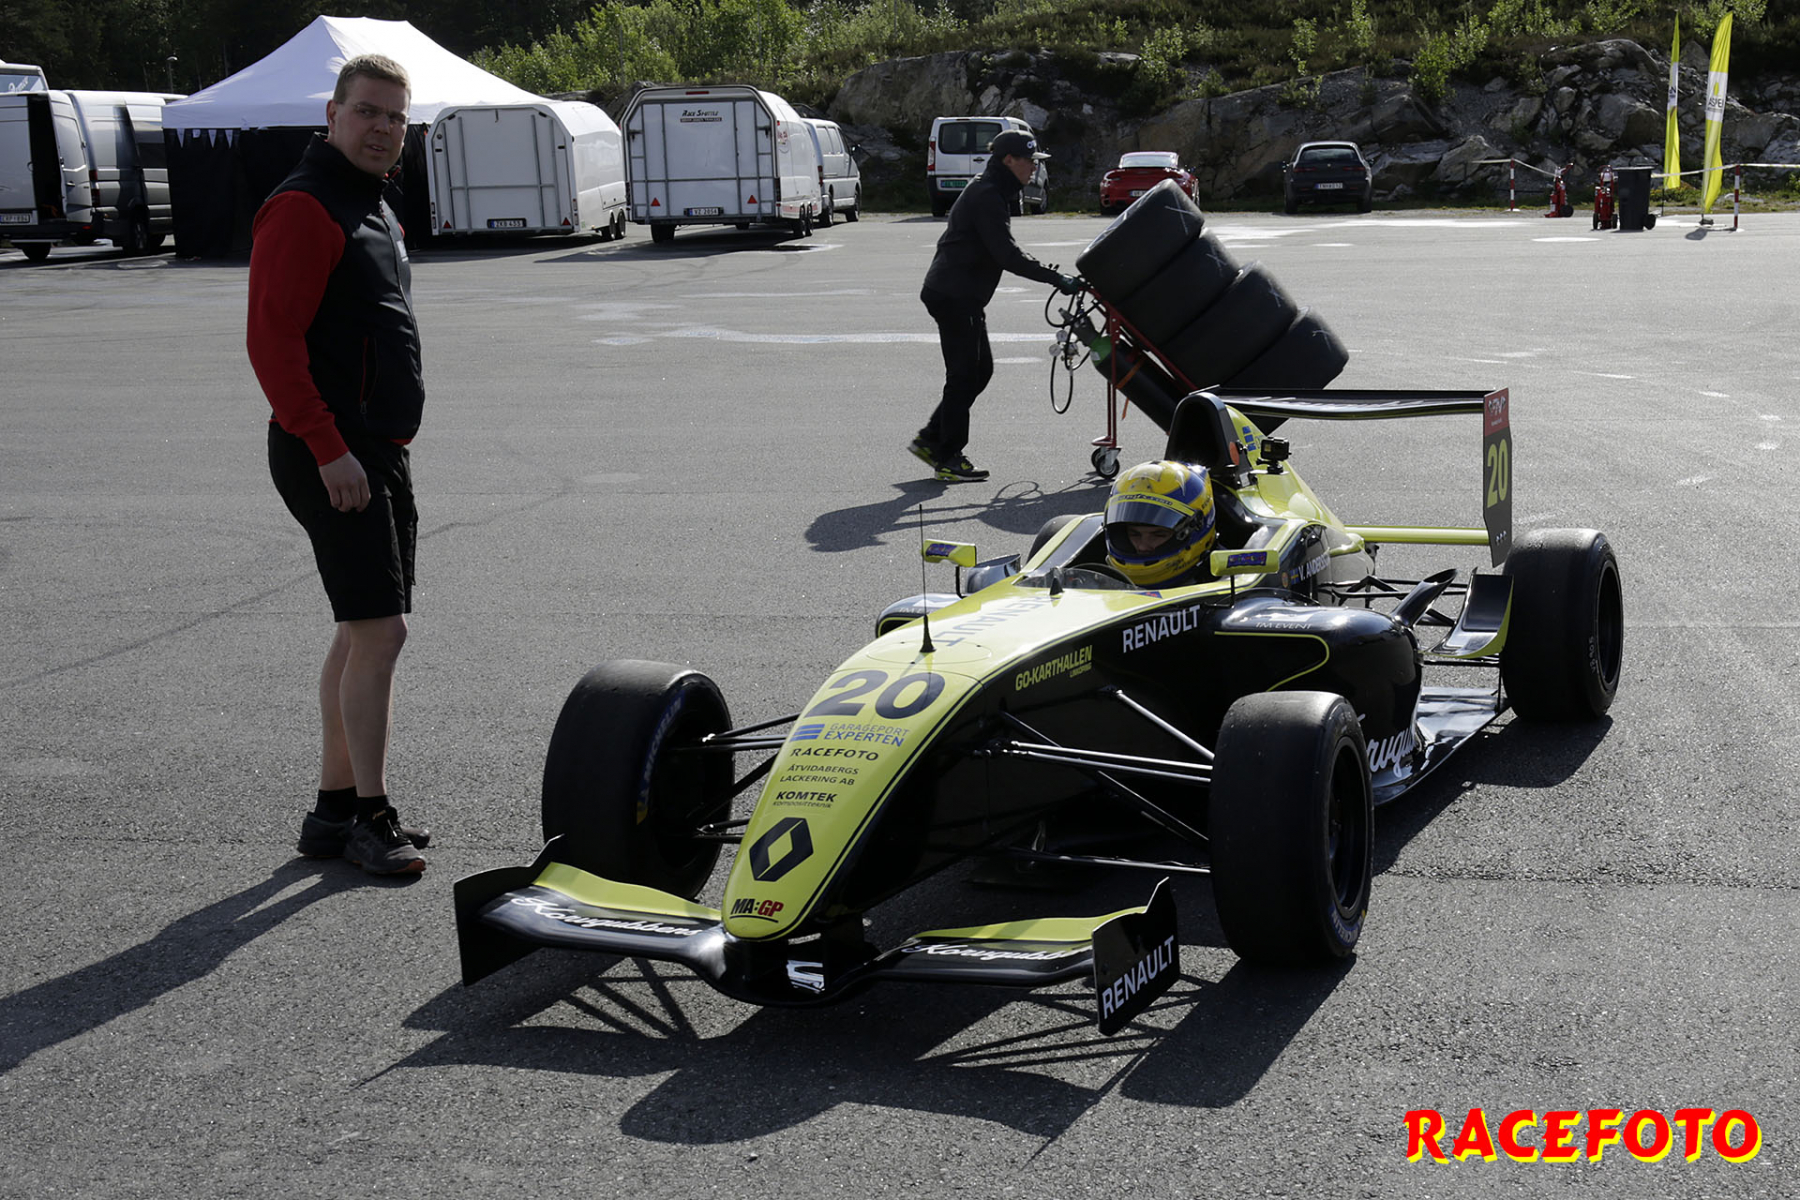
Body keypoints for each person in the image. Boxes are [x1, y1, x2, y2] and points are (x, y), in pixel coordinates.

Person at [247, 54, 431, 875]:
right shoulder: (304, 206)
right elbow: (272, 344)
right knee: (382, 632)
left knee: (361, 631)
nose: (382, 128)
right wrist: (329, 449)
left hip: (374, 452)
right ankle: (369, 815)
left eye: (395, 117)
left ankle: (331, 810)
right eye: (368, 112)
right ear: (332, 114)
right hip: (332, 453)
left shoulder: (372, 203)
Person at [910, 129, 1081, 483]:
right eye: (1029, 161)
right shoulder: (987, 194)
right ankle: (948, 456)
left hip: (960, 293)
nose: (1034, 167)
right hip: (955, 295)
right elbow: (1007, 254)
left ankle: (932, 438)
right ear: (1009, 160)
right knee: (963, 376)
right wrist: (1054, 278)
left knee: (980, 371)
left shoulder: (993, 189)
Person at [1103, 461, 1218, 587]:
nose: (1142, 547)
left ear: (1196, 528)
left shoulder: (1228, 583)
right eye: (1134, 534)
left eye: (1158, 535)